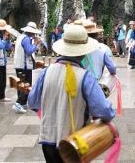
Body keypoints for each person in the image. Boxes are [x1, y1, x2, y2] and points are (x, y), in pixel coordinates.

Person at [28, 25, 115, 163]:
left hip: (47, 140)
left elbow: (32, 102)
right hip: (74, 145)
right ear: (84, 52)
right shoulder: (86, 77)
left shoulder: (46, 72)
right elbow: (104, 111)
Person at [12, 22, 42, 114]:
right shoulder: (26, 39)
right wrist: (36, 44)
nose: (34, 35)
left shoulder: (21, 37)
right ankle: (19, 103)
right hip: (24, 66)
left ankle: (23, 103)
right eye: (33, 33)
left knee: (22, 85)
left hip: (20, 65)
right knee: (26, 84)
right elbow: (29, 51)